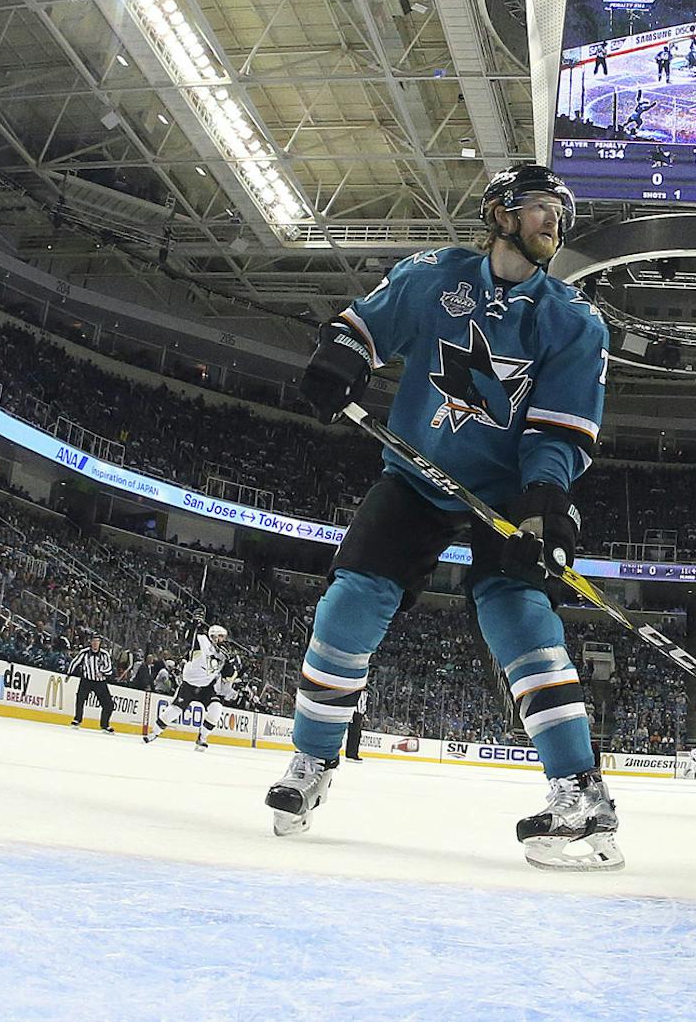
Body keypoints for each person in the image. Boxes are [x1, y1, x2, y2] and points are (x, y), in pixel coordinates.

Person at [271, 162, 619, 869]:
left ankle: (583, 798)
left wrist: (543, 510)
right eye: (542, 207)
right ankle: (309, 765)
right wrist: (340, 356)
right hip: (414, 476)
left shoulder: (574, 320)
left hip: (504, 499)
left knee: (520, 618)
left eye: (562, 211)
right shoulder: (435, 275)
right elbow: (362, 327)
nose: (556, 220)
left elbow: (559, 434)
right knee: (346, 606)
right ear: (499, 211)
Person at [142, 623, 229, 748]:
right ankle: (154, 733)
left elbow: (229, 675)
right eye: (221, 636)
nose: (223, 640)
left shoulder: (224, 653)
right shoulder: (203, 641)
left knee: (216, 709)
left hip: (207, 687)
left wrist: (229, 661)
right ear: (213, 636)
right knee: (174, 710)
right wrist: (194, 624)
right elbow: (189, 639)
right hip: (189, 684)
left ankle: (202, 738)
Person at [67, 634, 115, 732]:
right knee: (80, 699)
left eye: (97, 641)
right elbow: (75, 662)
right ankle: (77, 719)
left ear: (100, 643)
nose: (95, 643)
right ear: (90, 642)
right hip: (86, 680)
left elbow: (109, 669)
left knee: (109, 704)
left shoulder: (104, 654)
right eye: (93, 641)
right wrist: (69, 673)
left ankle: (105, 725)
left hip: (100, 682)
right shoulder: (84, 652)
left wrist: (102, 672)